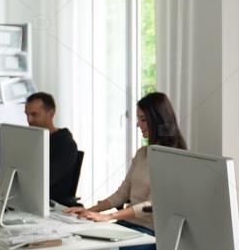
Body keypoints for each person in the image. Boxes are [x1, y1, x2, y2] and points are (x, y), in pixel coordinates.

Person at [63, 92, 185, 230]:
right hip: (128, 226)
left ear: (159, 121)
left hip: (150, 232)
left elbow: (152, 205)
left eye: (143, 119)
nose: (138, 124)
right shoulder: (142, 153)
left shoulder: (175, 159)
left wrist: (110, 216)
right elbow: (122, 194)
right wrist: (91, 210)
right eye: (138, 119)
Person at [0, 92, 79, 206]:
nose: (29, 120)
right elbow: (11, 166)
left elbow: (42, 182)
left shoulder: (66, 145)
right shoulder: (31, 138)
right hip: (22, 202)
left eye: (34, 114)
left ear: (51, 113)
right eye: (27, 114)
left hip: (52, 206)